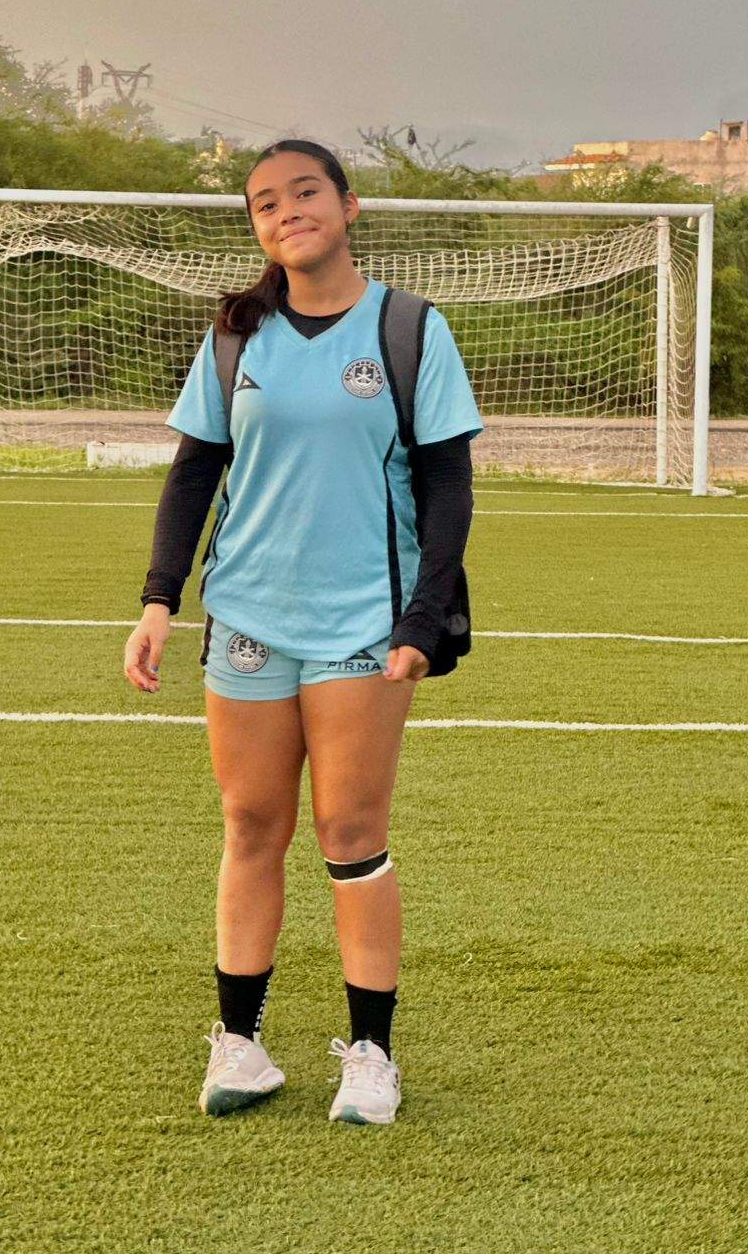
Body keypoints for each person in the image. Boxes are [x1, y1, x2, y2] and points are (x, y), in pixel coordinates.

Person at [123, 138, 484, 1125]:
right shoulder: (237, 335)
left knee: (351, 833)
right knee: (251, 824)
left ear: (349, 205)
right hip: (247, 615)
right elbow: (195, 472)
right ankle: (239, 1046)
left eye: (305, 192)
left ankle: (371, 1056)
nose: (287, 211)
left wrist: (423, 615)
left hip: (364, 620)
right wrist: (159, 599)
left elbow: (448, 486)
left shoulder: (409, 329)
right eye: (265, 203)